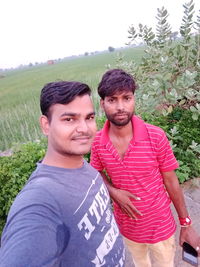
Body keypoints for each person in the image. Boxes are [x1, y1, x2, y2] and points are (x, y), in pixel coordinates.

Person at [0, 81, 126, 267]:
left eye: (89, 118)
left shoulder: (84, 166)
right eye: (69, 119)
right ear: (46, 125)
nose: (84, 128)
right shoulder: (39, 202)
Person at [90, 69, 200, 267]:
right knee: (140, 263)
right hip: (127, 226)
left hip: (160, 227)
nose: (120, 106)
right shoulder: (97, 142)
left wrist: (186, 223)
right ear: (102, 103)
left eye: (126, 98)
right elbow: (96, 172)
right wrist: (114, 193)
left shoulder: (155, 136)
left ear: (134, 99)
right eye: (112, 100)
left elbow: (171, 180)